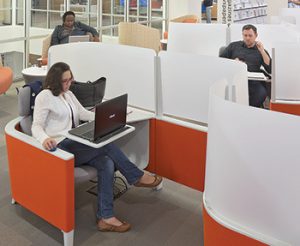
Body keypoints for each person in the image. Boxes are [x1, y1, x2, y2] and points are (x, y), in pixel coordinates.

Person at [31, 62, 163, 233]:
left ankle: (106, 218)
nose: (69, 83)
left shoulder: (68, 94)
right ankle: (135, 176)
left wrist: (104, 116)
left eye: (71, 79)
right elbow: (36, 126)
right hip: (60, 147)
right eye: (65, 81)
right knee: (106, 146)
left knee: (107, 162)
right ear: (55, 81)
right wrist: (45, 138)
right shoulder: (44, 97)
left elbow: (83, 114)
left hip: (74, 142)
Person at [220, 24, 271, 108]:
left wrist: (262, 51)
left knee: (261, 93)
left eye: (250, 35)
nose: (247, 38)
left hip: (253, 80)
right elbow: (220, 61)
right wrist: (233, 62)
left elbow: (269, 69)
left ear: (256, 36)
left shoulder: (261, 50)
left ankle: (247, 111)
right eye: (245, 35)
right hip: (235, 78)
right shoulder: (234, 46)